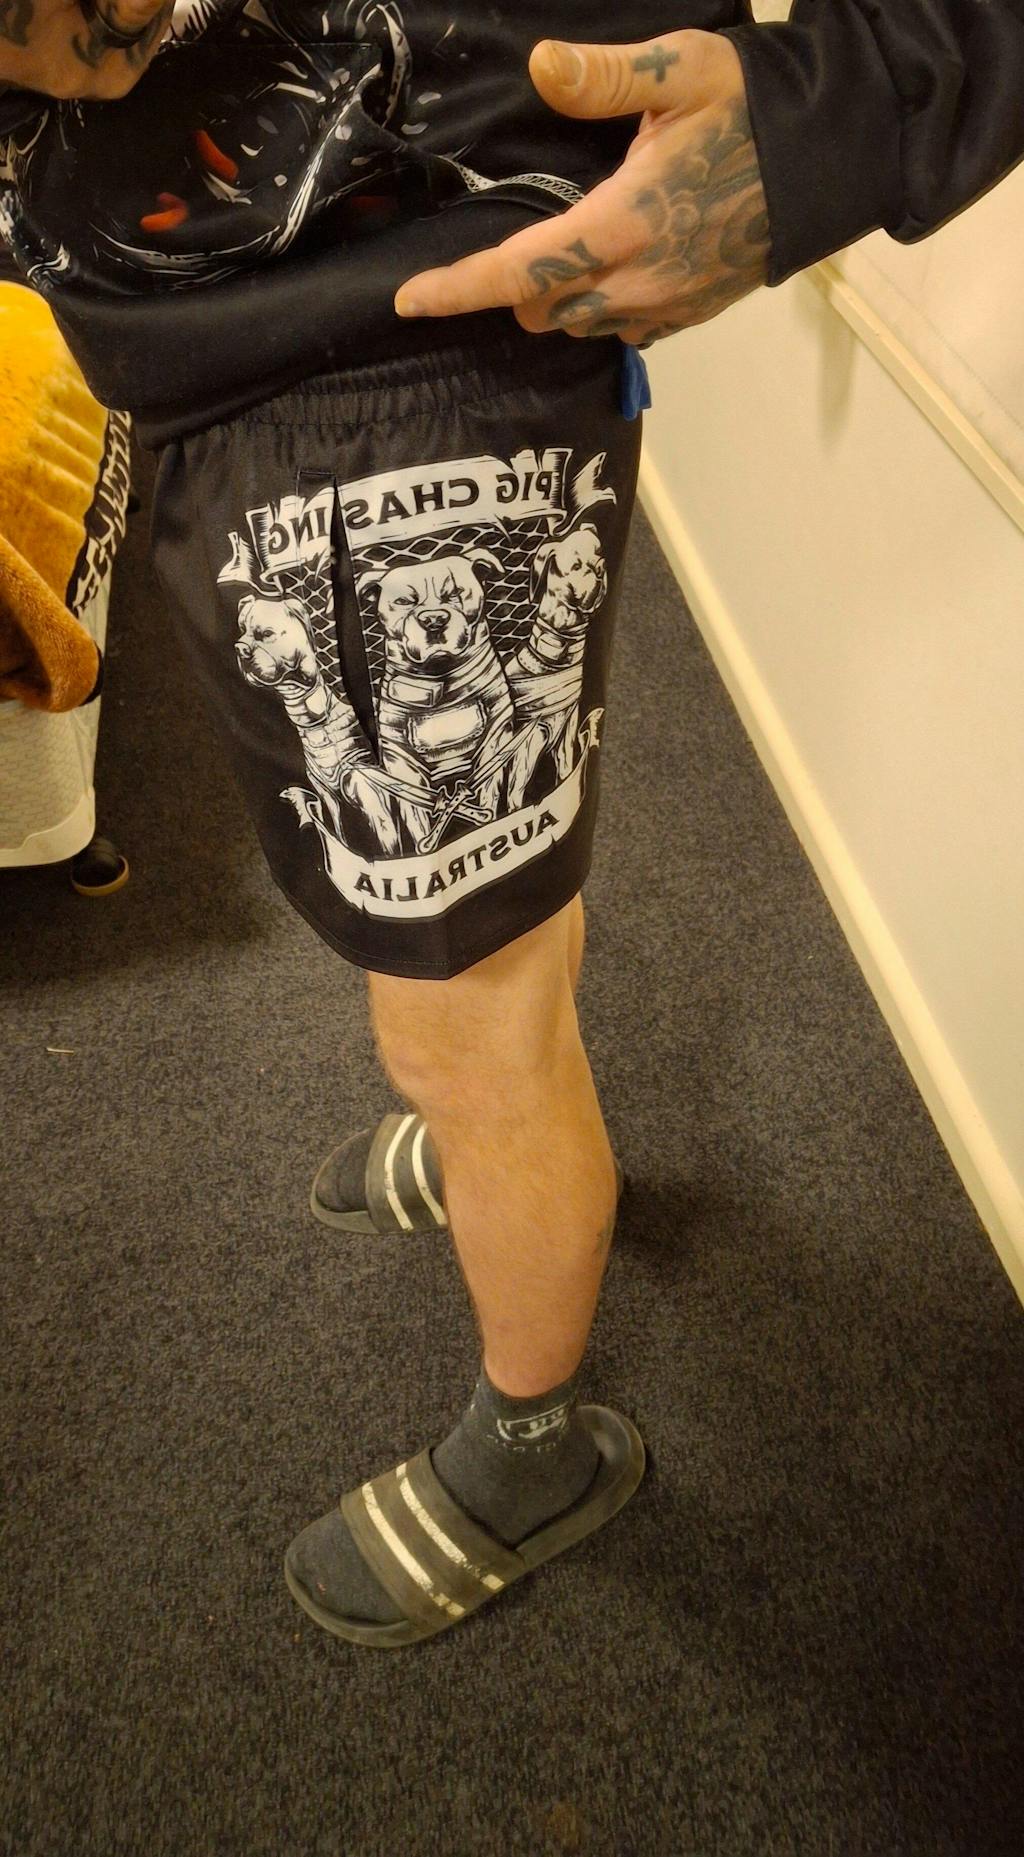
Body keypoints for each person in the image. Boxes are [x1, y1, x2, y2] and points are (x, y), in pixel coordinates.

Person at [2, 1, 1022, 1648]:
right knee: (468, 918)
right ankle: (507, 1109)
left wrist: (862, 102)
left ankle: (534, 1440)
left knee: (458, 1033)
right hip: (219, 356)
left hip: (401, 352)